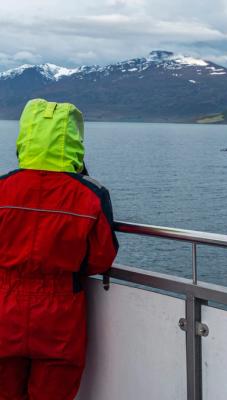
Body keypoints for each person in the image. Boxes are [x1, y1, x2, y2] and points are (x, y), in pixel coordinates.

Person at [0, 99, 119, 399]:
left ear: (25, 135)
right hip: (60, 314)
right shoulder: (91, 194)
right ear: (74, 139)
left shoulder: (2, 188)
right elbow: (102, 257)